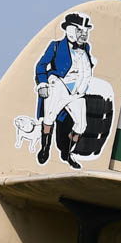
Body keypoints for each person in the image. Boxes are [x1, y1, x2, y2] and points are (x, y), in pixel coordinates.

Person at [33, 12, 95, 168]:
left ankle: (67, 152)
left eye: (85, 31)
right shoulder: (55, 46)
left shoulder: (86, 47)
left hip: (77, 92)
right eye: (79, 30)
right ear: (70, 30)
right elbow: (41, 65)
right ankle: (45, 148)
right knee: (49, 117)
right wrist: (42, 83)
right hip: (59, 84)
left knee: (81, 125)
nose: (83, 34)